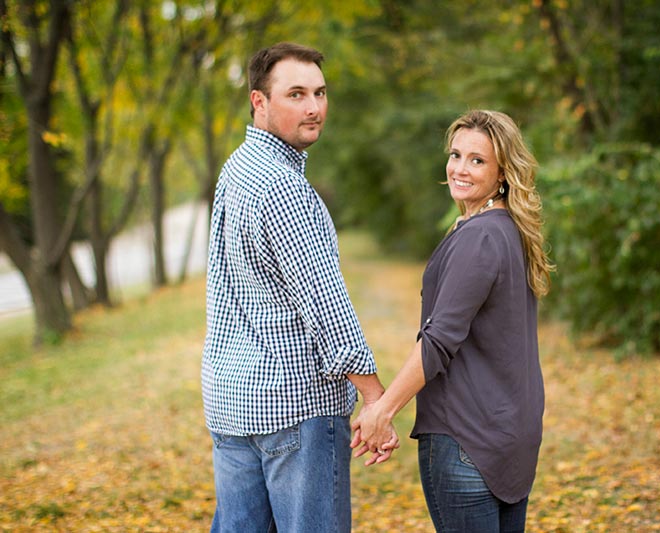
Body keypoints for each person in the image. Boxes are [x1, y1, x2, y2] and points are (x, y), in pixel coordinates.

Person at [201, 42, 397, 533]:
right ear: (259, 102)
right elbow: (327, 306)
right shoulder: (284, 187)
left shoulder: (237, 168)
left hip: (232, 401)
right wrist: (375, 399)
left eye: (319, 93)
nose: (313, 107)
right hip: (296, 408)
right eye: (295, 94)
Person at [351, 109, 555, 532]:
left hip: (467, 439)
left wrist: (382, 411)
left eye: (477, 160)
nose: (460, 168)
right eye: (456, 154)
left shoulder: (480, 236)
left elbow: (439, 340)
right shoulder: (505, 229)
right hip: (509, 435)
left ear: (503, 172)